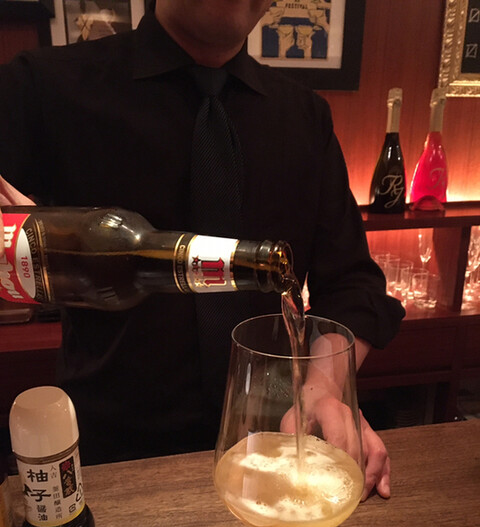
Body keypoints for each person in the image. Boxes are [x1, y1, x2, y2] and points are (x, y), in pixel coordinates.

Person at [0, 0, 405, 500]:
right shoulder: (42, 88)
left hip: (274, 453)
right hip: (109, 468)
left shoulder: (305, 116)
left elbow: (352, 283)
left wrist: (322, 390)